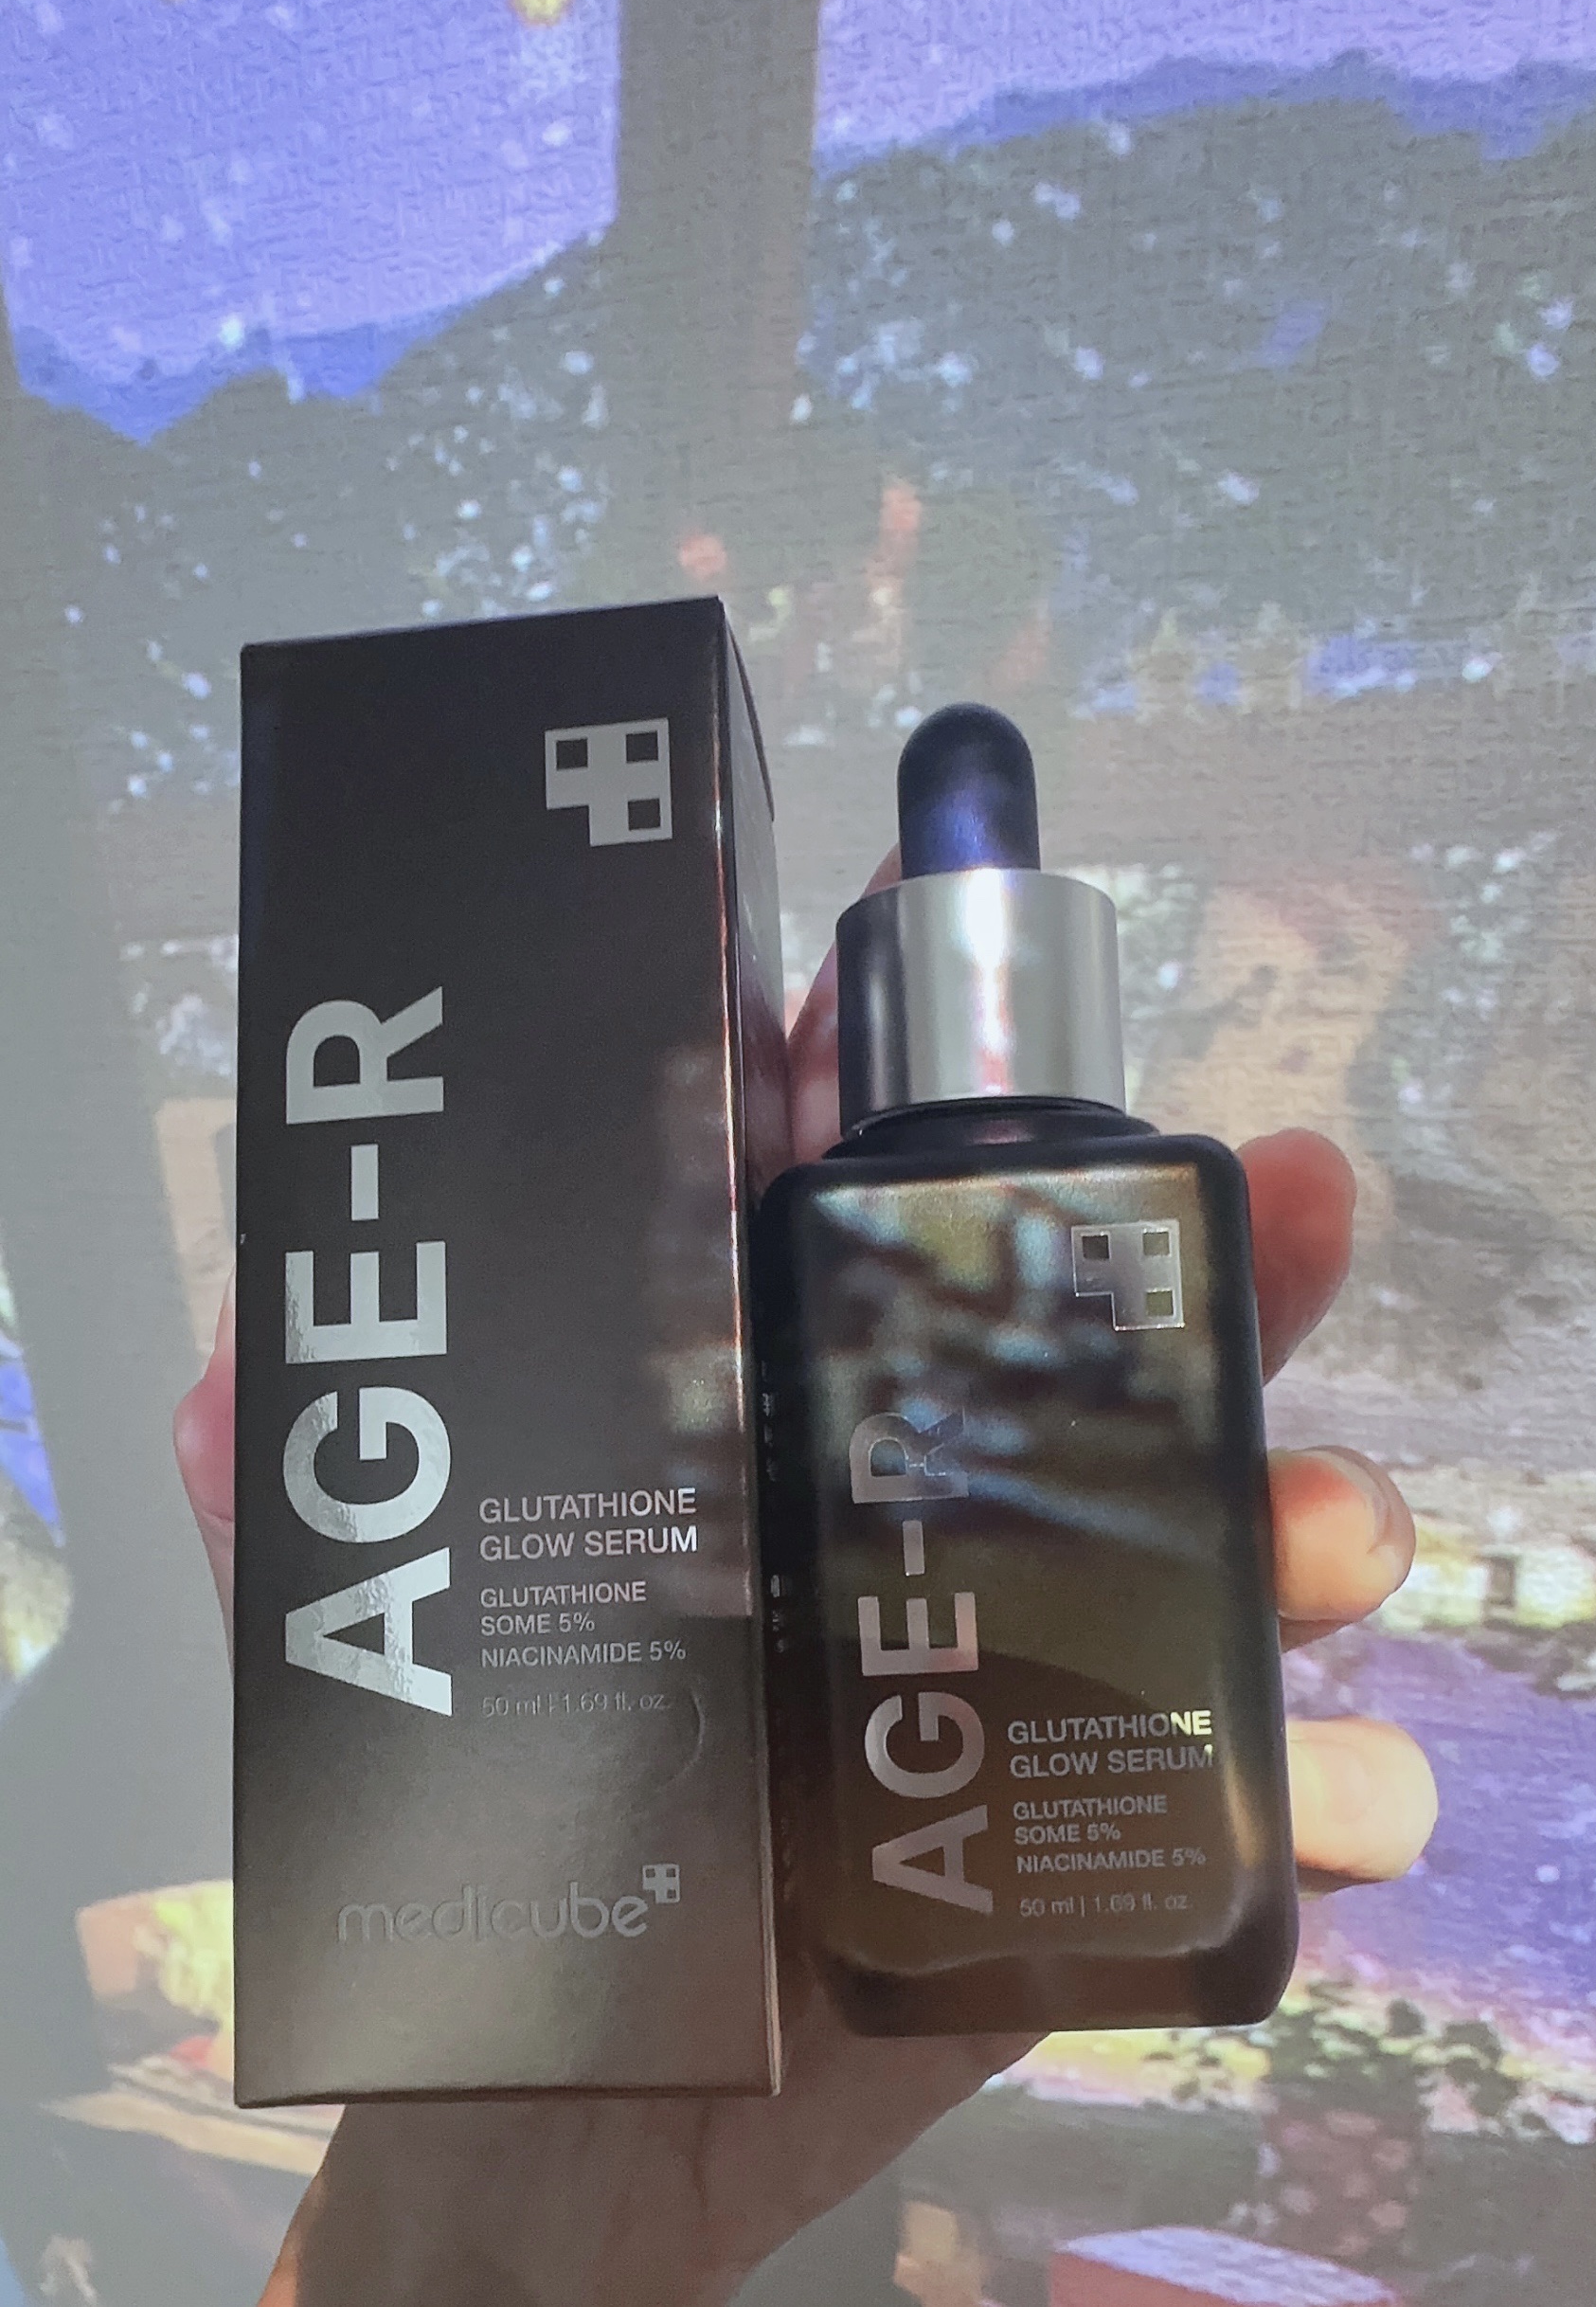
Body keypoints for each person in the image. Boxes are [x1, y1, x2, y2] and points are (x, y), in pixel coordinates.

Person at [173, 874, 1437, 2307]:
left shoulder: (1010, 1218)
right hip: (651, 1988)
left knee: (1282, 1558)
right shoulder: (763, 1303)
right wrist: (471, 2227)